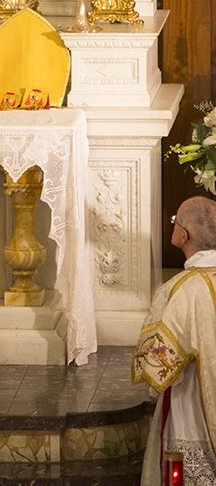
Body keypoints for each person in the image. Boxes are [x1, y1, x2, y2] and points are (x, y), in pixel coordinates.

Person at [133, 196, 216, 484]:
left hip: (193, 408)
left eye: (174, 222)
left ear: (184, 235)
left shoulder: (178, 291)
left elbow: (157, 367)